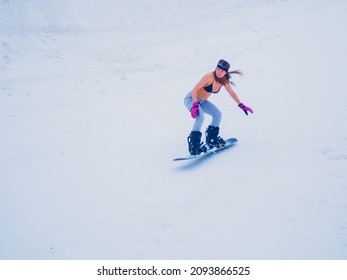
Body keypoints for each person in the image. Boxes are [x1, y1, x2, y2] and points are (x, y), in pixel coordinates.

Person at [184, 59, 253, 155]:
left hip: (202, 101)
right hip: (191, 99)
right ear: (216, 68)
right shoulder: (209, 76)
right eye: (218, 69)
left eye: (222, 71)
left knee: (217, 114)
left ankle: (212, 139)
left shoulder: (223, 81)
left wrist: (241, 105)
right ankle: (194, 146)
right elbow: (195, 90)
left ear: (226, 72)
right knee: (200, 117)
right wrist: (195, 105)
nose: (219, 72)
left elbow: (232, 93)